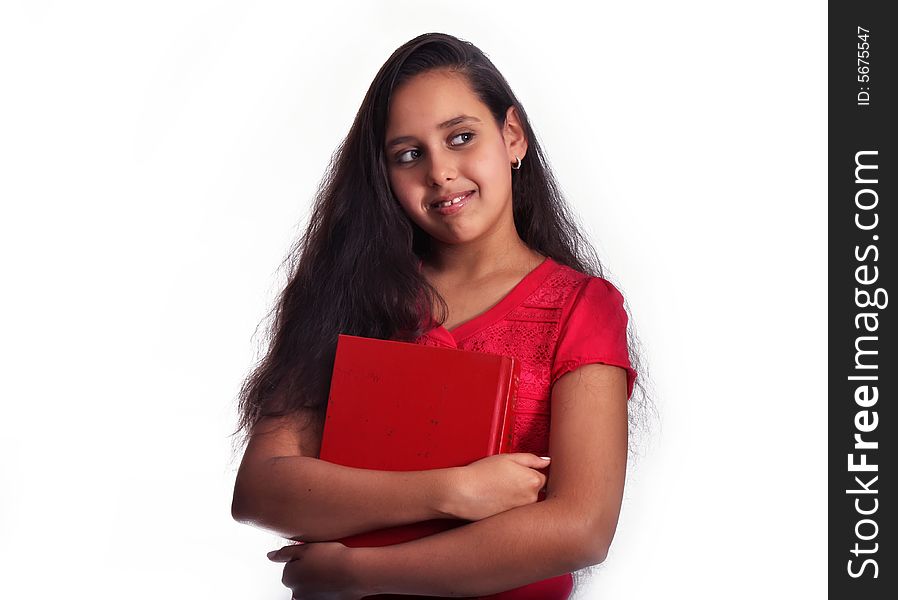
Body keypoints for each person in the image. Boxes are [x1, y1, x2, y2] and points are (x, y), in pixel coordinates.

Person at [230, 32, 649, 599]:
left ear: (512, 137)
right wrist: (453, 491)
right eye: (409, 154)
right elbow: (260, 490)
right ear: (385, 176)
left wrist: (358, 572)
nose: (441, 172)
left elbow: (580, 530)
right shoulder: (342, 297)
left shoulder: (580, 307)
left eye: (461, 138)